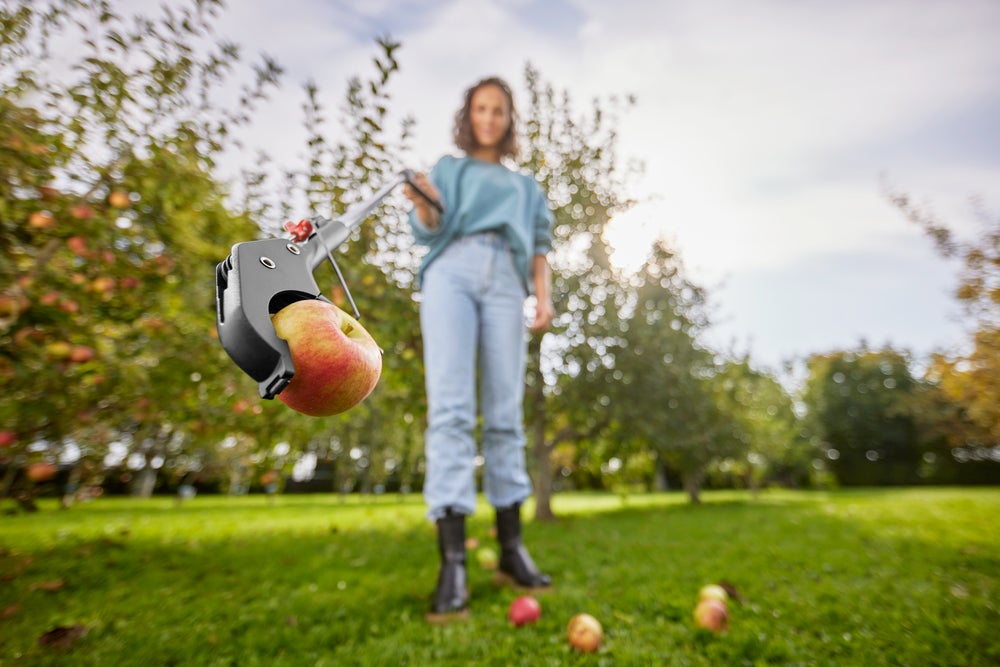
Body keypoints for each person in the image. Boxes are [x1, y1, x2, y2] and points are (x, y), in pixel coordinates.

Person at [403, 76, 555, 623]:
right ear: (469, 116)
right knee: (451, 409)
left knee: (505, 413)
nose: (489, 118)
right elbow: (428, 227)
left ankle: (512, 551)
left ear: (509, 120)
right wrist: (424, 205)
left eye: (498, 110)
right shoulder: (448, 170)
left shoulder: (526, 188)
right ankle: (453, 562)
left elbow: (539, 247)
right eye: (481, 108)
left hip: (506, 282)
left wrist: (543, 298)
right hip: (452, 272)